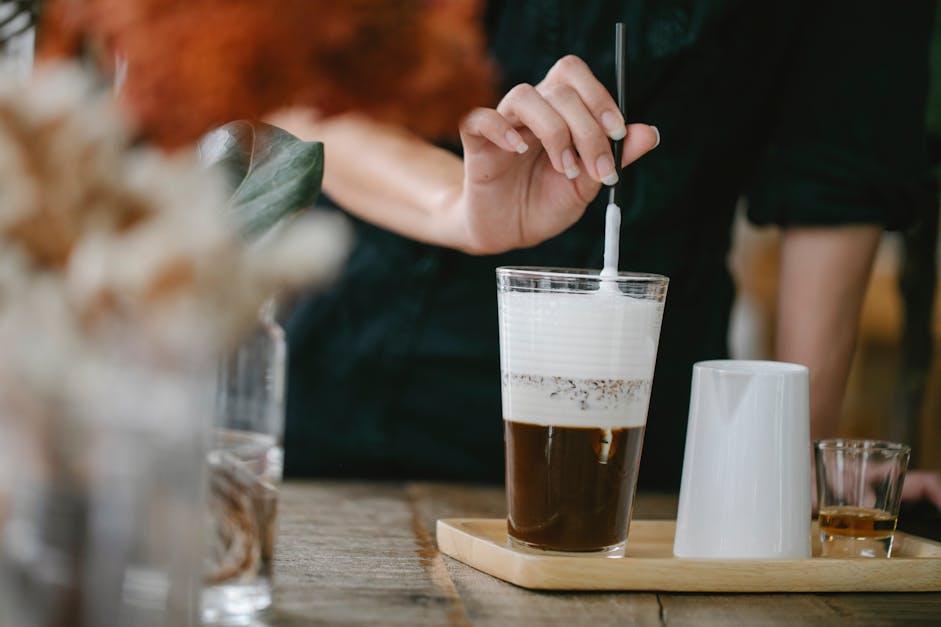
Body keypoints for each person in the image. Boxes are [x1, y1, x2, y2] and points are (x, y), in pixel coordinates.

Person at [275, 0, 941, 505]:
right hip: (343, 412)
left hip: (635, 461)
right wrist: (457, 207)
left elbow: (835, 185)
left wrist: (786, 464)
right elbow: (294, 89)